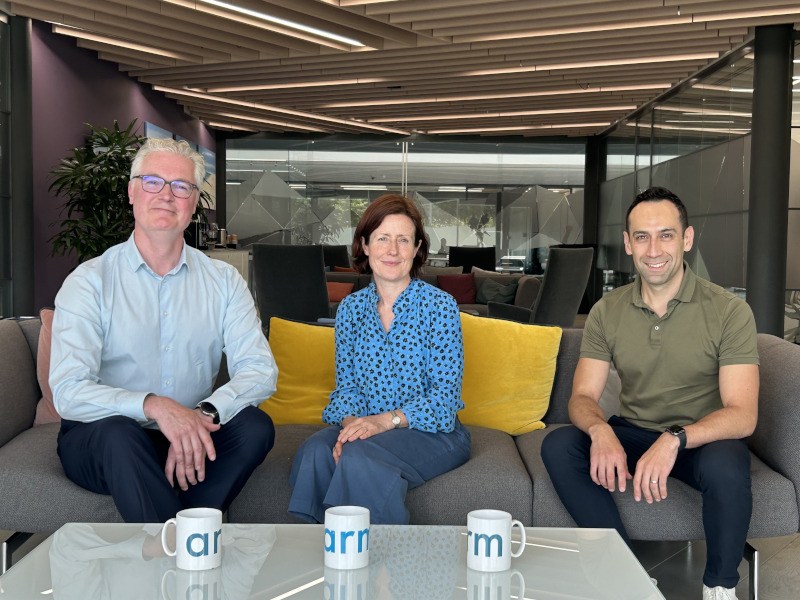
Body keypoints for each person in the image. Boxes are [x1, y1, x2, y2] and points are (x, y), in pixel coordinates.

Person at [541, 187, 759, 600]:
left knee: (728, 464)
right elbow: (582, 397)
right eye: (642, 236)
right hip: (634, 432)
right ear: (627, 244)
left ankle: (719, 587)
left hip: (700, 440)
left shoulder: (729, 311)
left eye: (666, 235)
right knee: (560, 445)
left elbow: (743, 414)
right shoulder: (609, 309)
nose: (653, 248)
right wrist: (602, 432)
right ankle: (625, 577)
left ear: (687, 239)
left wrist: (675, 438)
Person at [51, 138, 277, 523]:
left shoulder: (223, 280)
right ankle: (188, 543)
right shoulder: (90, 281)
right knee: (119, 436)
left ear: (194, 201)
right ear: (132, 191)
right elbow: (69, 392)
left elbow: (260, 370)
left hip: (194, 429)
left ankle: (183, 527)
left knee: (256, 427)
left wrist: (202, 415)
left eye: (181, 186)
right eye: (153, 181)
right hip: (105, 438)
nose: (166, 196)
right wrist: (155, 406)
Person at [288, 194, 471, 524]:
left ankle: (387, 567)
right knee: (314, 452)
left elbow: (444, 401)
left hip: (433, 433)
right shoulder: (350, 310)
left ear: (416, 249)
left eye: (404, 240)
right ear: (365, 245)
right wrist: (350, 429)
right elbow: (346, 391)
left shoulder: (440, 307)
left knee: (359, 457)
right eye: (382, 238)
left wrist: (383, 422)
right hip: (368, 428)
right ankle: (320, 555)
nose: (393, 250)